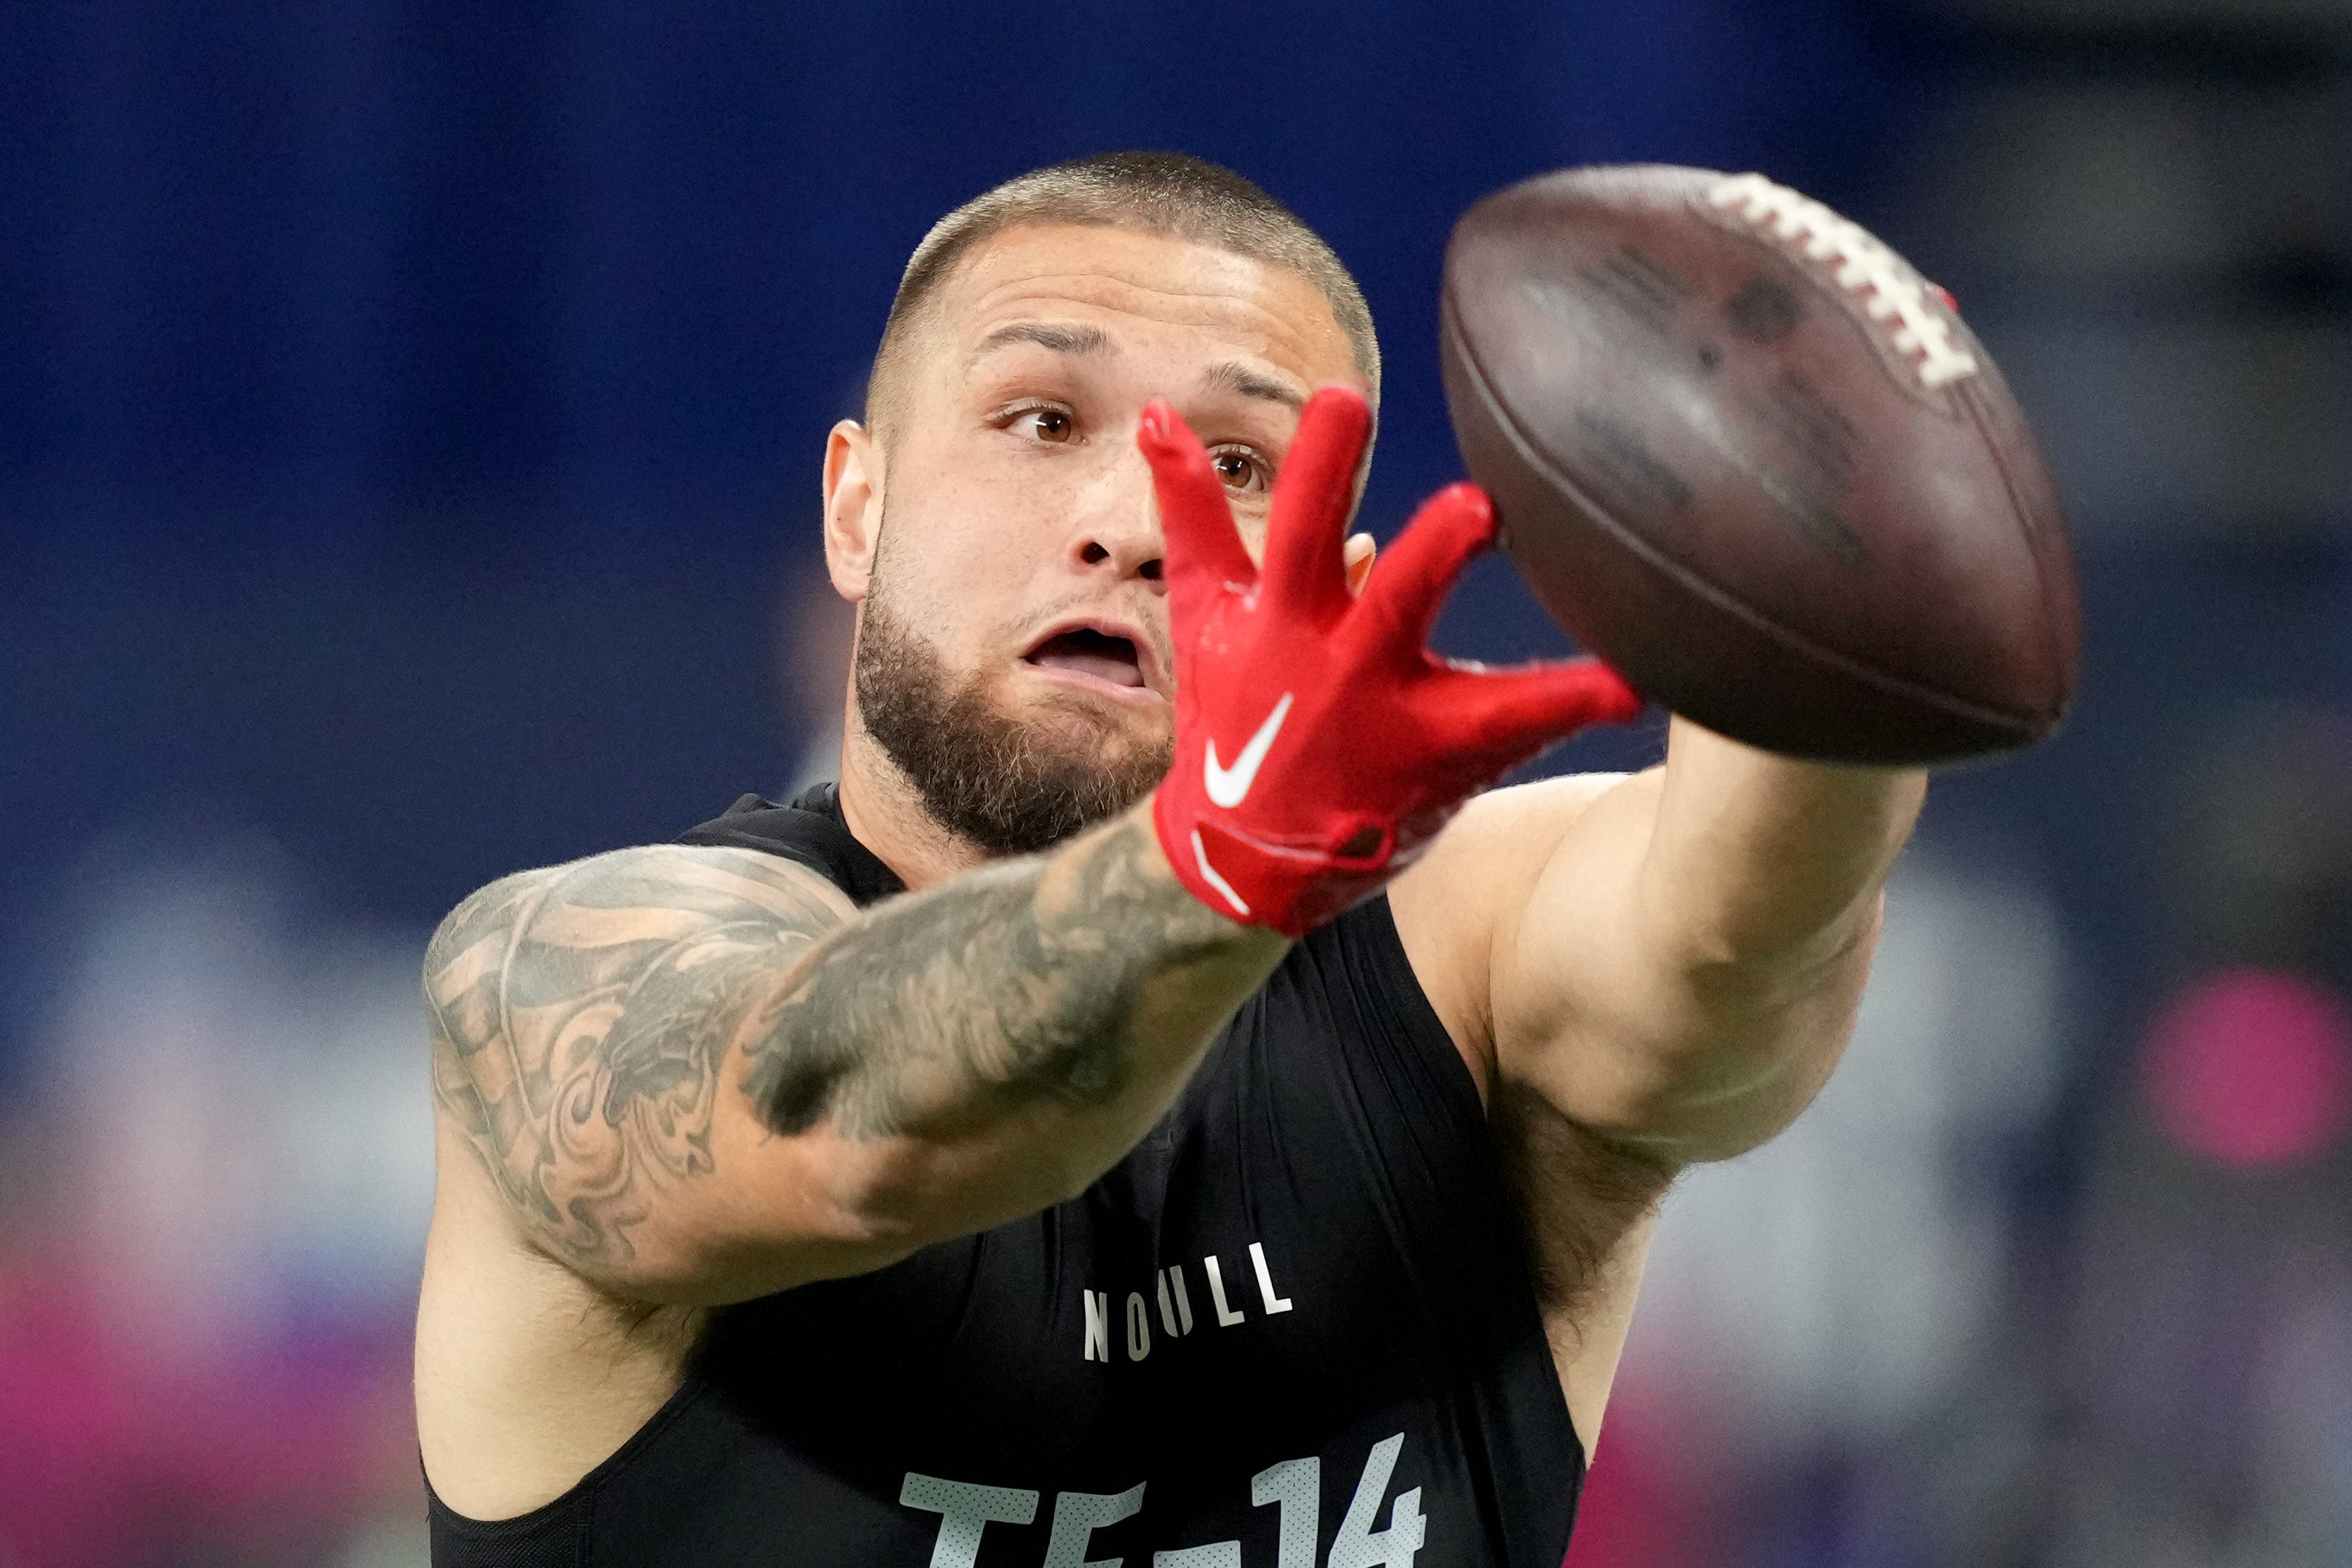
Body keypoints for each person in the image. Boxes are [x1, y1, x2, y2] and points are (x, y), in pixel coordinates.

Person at [414, 152, 1924, 1568]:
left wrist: (1831, 594)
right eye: (1040, 421)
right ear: (855, 509)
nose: (1138, 521)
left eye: (1240, 462)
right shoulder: (561, 971)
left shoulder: (1465, 966)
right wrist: (1220, 862)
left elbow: (1742, 933)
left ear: (1332, 584)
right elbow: (848, 1125)